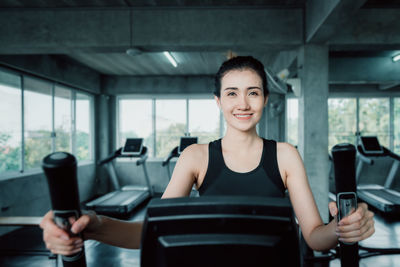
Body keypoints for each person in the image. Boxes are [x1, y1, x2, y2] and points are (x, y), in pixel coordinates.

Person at [40, 56, 375, 256]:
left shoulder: (285, 155)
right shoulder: (195, 157)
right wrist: (92, 224)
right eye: (232, 93)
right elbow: (149, 235)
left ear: (264, 98)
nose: (242, 104)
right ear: (218, 102)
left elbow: (315, 237)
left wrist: (343, 228)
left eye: (252, 93)